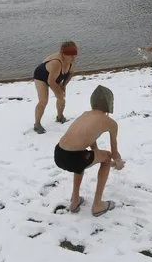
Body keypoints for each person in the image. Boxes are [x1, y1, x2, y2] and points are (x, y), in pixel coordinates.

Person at [53, 85, 125, 217]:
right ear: (110, 104)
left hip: (59, 153)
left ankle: (74, 201)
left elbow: (89, 138)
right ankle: (98, 205)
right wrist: (118, 162)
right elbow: (114, 154)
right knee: (107, 157)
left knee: (82, 158)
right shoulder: (110, 122)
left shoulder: (85, 114)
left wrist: (96, 154)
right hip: (75, 157)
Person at [33, 41, 78, 134]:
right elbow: (50, 81)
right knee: (43, 100)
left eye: (74, 54)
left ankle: (60, 117)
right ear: (62, 53)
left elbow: (70, 73)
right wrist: (59, 91)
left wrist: (63, 86)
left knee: (61, 98)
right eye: (70, 55)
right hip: (42, 76)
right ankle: (37, 124)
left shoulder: (71, 60)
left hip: (55, 76)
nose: (73, 57)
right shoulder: (56, 62)